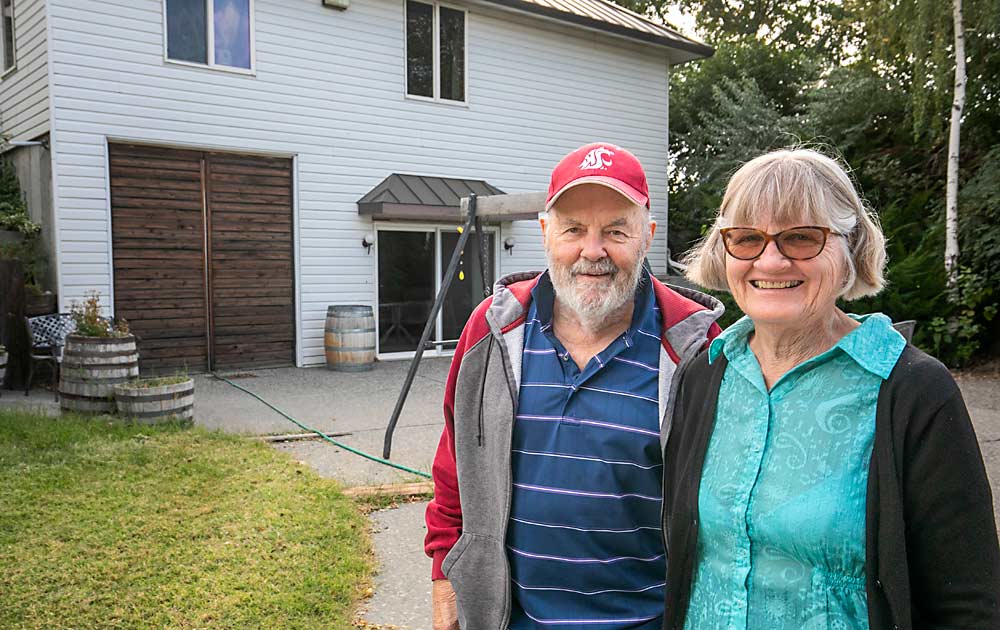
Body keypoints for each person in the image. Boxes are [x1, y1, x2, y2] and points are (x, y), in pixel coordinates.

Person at [662, 148, 1000, 629]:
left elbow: (967, 603)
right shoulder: (705, 375)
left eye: (801, 237)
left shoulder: (911, 390)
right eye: (747, 238)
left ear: (850, 247)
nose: (771, 260)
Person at [424, 142, 724, 629]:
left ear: (646, 236)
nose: (593, 250)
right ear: (545, 233)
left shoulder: (693, 345)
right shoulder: (494, 330)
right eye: (573, 229)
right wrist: (445, 585)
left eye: (615, 231)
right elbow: (454, 469)